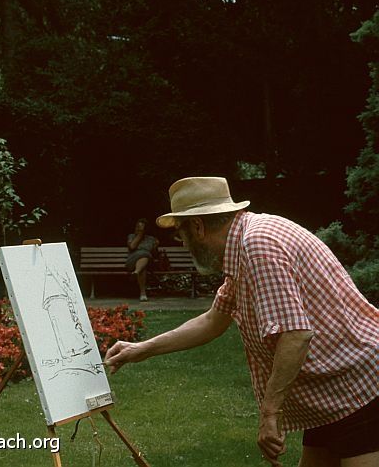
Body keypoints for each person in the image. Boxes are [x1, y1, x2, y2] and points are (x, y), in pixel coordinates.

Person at [104, 177, 379, 467]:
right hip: (331, 392)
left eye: (180, 234)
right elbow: (213, 321)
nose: (182, 243)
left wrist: (271, 414)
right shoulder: (243, 246)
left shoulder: (258, 245)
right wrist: (141, 349)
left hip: (360, 386)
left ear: (197, 226)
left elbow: (296, 335)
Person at [126, 218, 159, 301]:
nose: (138, 229)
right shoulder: (131, 236)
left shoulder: (151, 239)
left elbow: (154, 254)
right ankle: (143, 293)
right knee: (144, 255)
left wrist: (156, 246)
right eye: (137, 227)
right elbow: (132, 247)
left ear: (146, 229)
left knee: (145, 259)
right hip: (132, 261)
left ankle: (136, 272)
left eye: (141, 228)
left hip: (147, 262)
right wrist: (140, 235)